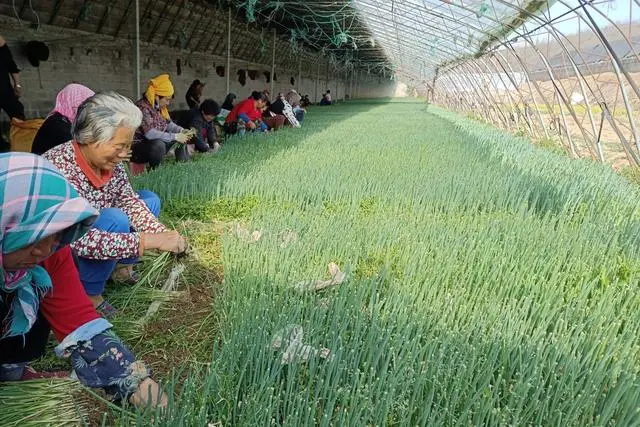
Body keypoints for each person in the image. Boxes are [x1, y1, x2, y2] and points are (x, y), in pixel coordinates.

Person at [0, 152, 167, 408]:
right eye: (33, 237)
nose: (43, 251)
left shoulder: (52, 251)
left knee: (40, 280)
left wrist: (135, 381)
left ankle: (10, 370)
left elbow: (77, 318)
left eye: (56, 236)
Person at [43, 92, 187, 316]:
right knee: (115, 218)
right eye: (119, 146)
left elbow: (128, 200)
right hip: (61, 251)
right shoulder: (59, 168)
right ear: (90, 138)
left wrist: (162, 233)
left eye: (127, 146)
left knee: (148, 200)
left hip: (102, 223)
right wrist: (147, 240)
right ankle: (89, 294)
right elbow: (79, 241)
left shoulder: (111, 163)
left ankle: (121, 268)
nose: (123, 155)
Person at [131, 74, 193, 169]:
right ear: (156, 97)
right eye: (167, 100)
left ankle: (184, 165)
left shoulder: (158, 107)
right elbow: (150, 134)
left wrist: (181, 131)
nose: (168, 103)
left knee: (182, 137)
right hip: (138, 149)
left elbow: (168, 124)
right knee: (159, 144)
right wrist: (175, 136)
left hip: (153, 145)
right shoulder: (142, 107)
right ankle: (155, 171)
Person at [31, 83, 95, 155]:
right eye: (85, 106)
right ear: (74, 103)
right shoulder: (57, 125)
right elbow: (80, 153)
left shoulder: (65, 121)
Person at [0, 35, 25, 148]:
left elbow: (13, 68)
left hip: (5, 91)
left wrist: (17, 85)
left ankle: (23, 138)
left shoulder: (4, 51)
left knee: (17, 111)